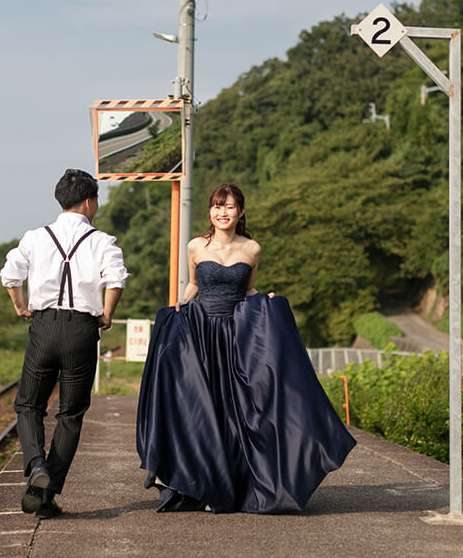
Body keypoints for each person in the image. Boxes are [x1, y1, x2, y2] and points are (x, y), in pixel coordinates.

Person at [136, 183, 355, 513]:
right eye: (216, 206)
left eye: (229, 207)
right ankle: (210, 485)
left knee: (242, 411)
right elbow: (194, 284)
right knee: (204, 409)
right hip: (202, 333)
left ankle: (238, 486)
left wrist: (266, 300)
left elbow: (249, 290)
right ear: (210, 211)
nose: (222, 212)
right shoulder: (196, 246)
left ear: (241, 212)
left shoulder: (252, 248)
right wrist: (180, 305)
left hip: (238, 334)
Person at [0, 169, 128, 519]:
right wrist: (107, 314)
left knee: (28, 405)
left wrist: (20, 306)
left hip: (43, 327)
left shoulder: (36, 237)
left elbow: (10, 275)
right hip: (81, 331)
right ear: (89, 202)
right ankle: (47, 493)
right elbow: (115, 280)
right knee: (70, 414)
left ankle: (35, 465)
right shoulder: (103, 241)